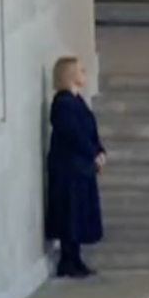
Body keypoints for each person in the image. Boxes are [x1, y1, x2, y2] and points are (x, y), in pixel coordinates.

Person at [44, 55, 105, 279]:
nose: (84, 74)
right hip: (68, 170)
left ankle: (75, 258)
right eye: (80, 70)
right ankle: (68, 260)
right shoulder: (62, 103)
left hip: (80, 167)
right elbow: (73, 134)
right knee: (71, 214)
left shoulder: (77, 101)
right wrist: (93, 153)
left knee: (78, 213)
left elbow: (89, 132)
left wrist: (99, 151)